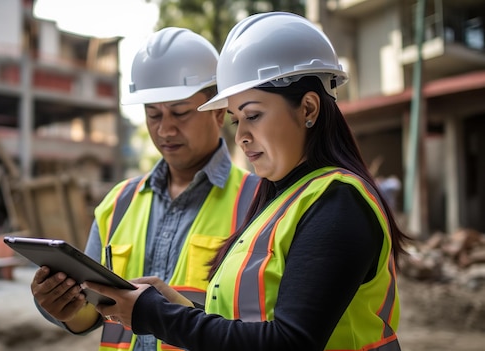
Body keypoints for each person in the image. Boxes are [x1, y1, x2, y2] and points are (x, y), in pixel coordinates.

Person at [84, 12, 409, 351]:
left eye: (253, 115)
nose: (240, 136)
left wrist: (156, 314)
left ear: (309, 109)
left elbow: (289, 341)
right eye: (236, 119)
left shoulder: (337, 204)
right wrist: (172, 307)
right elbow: (248, 322)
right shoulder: (280, 202)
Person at [29, 27, 260, 351]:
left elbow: (262, 328)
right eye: (153, 114)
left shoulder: (258, 202)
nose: (165, 128)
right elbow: (91, 313)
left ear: (219, 111)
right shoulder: (118, 203)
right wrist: (63, 307)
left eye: (180, 112)